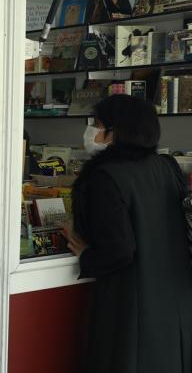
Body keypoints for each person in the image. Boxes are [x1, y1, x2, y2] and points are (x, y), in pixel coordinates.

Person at [63, 94, 192, 373]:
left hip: (132, 305)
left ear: (114, 133)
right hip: (175, 301)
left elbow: (118, 249)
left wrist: (86, 254)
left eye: (96, 124)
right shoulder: (167, 167)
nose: (91, 131)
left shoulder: (106, 176)